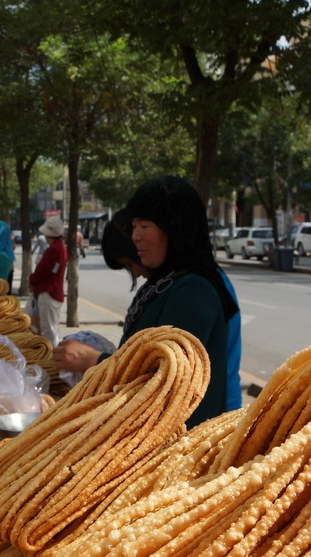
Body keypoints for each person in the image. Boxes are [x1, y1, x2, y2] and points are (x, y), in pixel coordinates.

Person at [53, 176, 239, 427]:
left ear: (173, 228)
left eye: (144, 226)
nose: (135, 236)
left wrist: (93, 360)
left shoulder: (194, 290)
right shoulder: (166, 282)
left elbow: (163, 380)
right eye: (133, 226)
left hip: (182, 445)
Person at [28, 215, 67, 346]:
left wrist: (31, 280)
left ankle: (50, 361)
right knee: (53, 328)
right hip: (55, 293)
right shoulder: (61, 248)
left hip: (48, 293)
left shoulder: (53, 250)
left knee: (48, 332)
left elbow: (41, 272)